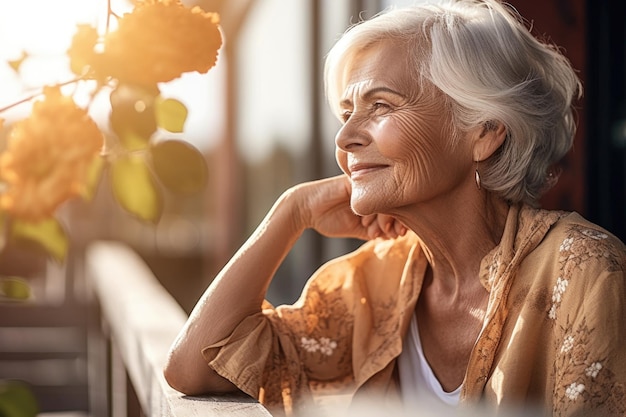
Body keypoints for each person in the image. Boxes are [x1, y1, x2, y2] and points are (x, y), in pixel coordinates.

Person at [163, 0, 626, 416]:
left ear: (484, 132)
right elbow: (196, 366)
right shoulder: (373, 282)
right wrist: (292, 210)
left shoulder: (585, 270)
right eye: (347, 113)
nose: (345, 138)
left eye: (380, 105)